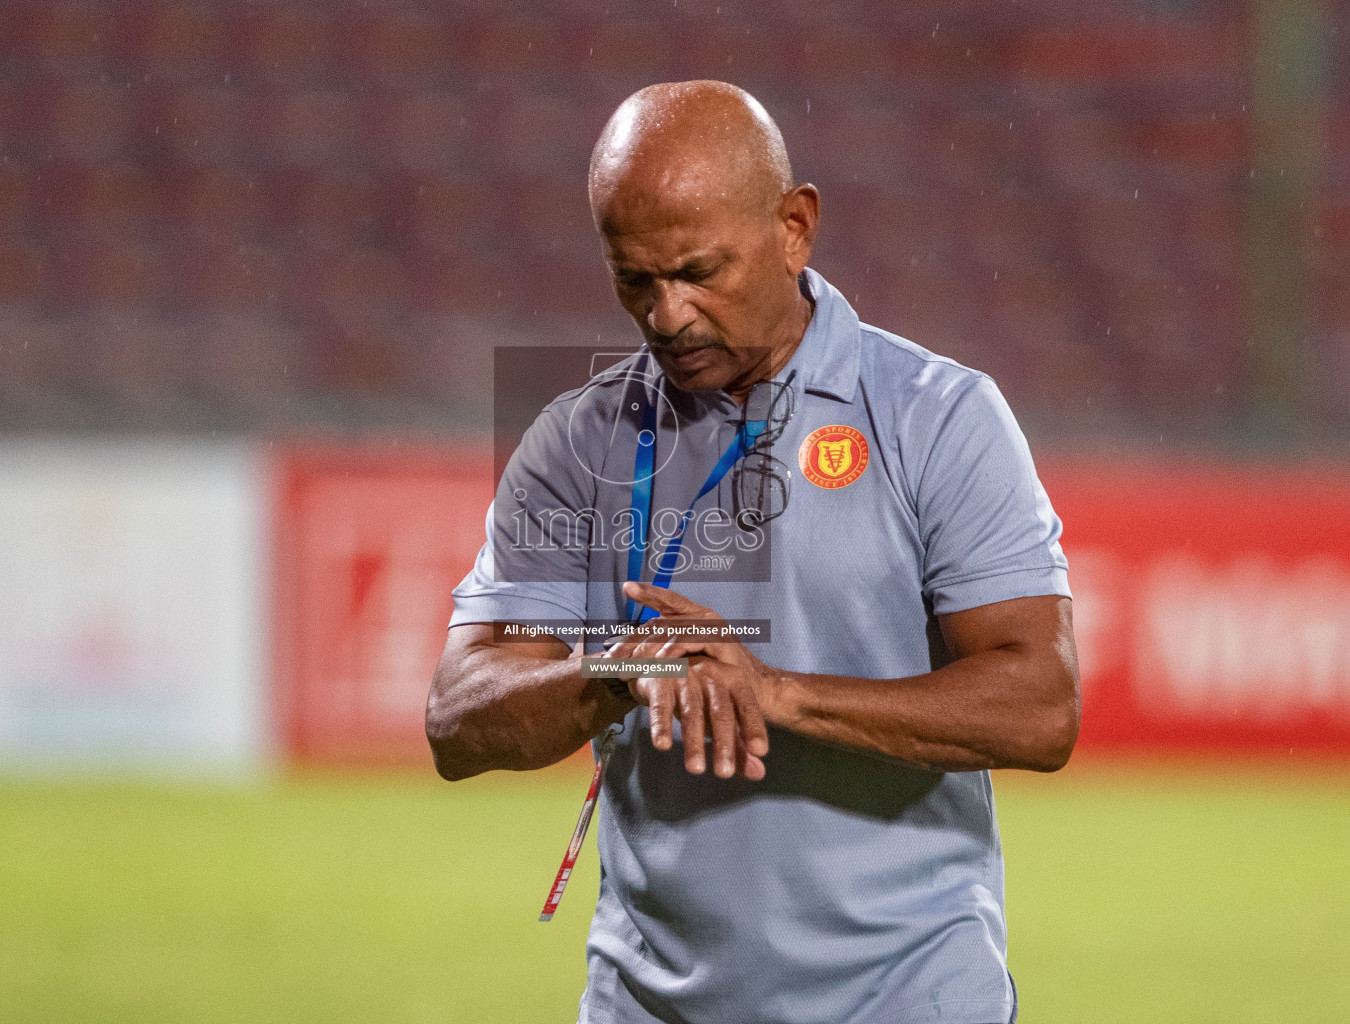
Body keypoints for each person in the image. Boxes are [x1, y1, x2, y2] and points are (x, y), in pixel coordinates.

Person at [427, 80, 1079, 1024]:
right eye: (633, 279)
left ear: (794, 226)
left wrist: (776, 692)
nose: (666, 315)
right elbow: (456, 715)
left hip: (908, 1003)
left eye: (698, 270)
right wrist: (620, 668)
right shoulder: (576, 441)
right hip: (644, 1004)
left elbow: (1042, 704)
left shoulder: (940, 418)